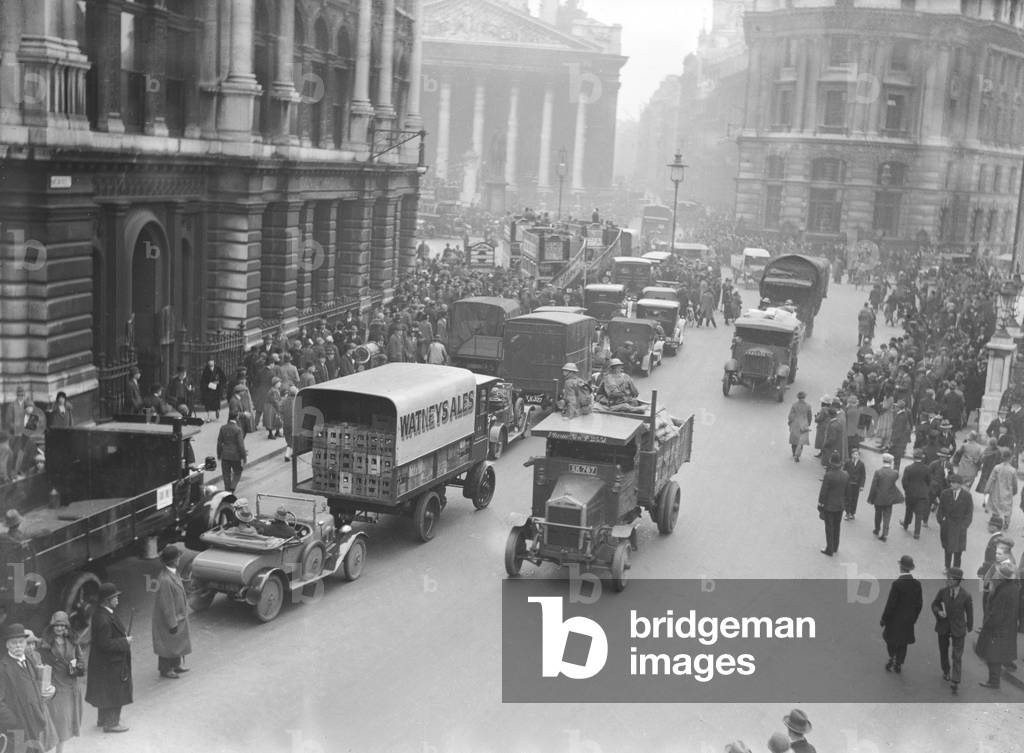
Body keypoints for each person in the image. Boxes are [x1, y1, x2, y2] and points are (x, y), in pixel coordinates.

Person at [0, 622, 56, 752]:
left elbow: (39, 685)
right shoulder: (3, 668)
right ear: (7, 645)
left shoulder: (29, 660)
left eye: (21, 641)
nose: (18, 645)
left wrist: (52, 690)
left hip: (34, 721)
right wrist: (15, 722)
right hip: (17, 726)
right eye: (14, 642)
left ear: (25, 643)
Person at [85, 582, 132, 733]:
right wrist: (125, 641)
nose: (117, 599)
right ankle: (112, 723)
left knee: (105, 692)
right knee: (114, 692)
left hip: (104, 663)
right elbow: (105, 644)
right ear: (106, 601)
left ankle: (103, 719)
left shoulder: (103, 613)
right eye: (115, 597)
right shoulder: (103, 619)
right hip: (110, 663)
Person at [38, 610, 85, 751]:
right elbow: (40, 664)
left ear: (67, 627)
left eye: (63, 626)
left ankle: (60, 751)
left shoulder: (73, 641)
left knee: (66, 723)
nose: (59, 628)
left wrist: (76, 667)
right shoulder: (46, 644)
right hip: (56, 687)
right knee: (58, 722)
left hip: (71, 686)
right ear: (52, 626)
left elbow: (81, 661)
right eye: (57, 625)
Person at [977, 560, 1020, 690]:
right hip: (1008, 626)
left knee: (992, 655)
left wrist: (988, 624)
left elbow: (997, 612)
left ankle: (993, 682)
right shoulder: (1013, 588)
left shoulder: (1003, 591)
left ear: (1002, 577)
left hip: (998, 628)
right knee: (997, 654)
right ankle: (994, 681)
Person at [151, 545, 191, 681]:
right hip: (169, 618)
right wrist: (172, 623)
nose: (180, 559)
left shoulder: (172, 572)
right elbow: (167, 605)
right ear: (174, 560)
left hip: (178, 615)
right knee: (167, 643)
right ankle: (165, 669)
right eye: (178, 557)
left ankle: (176, 665)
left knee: (176, 642)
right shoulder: (165, 580)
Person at [930, 566, 973, 694]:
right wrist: (939, 612)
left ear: (957, 580)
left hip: (958, 628)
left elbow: (969, 613)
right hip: (943, 625)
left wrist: (969, 626)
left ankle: (955, 680)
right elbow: (934, 604)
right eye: (947, 577)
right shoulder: (942, 591)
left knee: (957, 655)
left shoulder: (966, 595)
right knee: (943, 650)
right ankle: (946, 671)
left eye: (951, 578)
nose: (948, 580)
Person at [880, 554, 923, 674]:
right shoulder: (917, 584)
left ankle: (891, 657)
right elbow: (919, 604)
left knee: (890, 638)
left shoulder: (897, 584)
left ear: (901, 568)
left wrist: (884, 619)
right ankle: (899, 662)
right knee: (903, 642)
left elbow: (891, 604)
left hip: (895, 619)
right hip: (908, 620)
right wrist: (913, 618)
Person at [936, 473, 973, 570]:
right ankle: (947, 567)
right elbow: (940, 509)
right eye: (951, 482)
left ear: (960, 484)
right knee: (947, 548)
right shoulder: (945, 493)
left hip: (960, 526)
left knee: (958, 550)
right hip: (947, 525)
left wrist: (964, 525)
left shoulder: (967, 496)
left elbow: (969, 513)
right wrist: (941, 521)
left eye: (954, 483)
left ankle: (956, 568)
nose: (952, 485)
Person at [817, 452, 848, 556]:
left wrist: (820, 504)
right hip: (840, 505)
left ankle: (829, 549)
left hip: (829, 506)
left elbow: (823, 492)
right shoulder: (845, 475)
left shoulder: (828, 475)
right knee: (837, 526)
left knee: (829, 527)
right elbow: (847, 491)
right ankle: (835, 546)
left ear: (831, 462)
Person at [867, 453, 902, 541]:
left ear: (883, 461)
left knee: (878, 514)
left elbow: (873, 486)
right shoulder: (895, 473)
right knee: (887, 516)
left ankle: (877, 529)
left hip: (878, 498)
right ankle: (885, 533)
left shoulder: (878, 472)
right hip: (889, 498)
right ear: (891, 462)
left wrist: (871, 498)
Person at [900, 449, 932, 539]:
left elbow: (904, 482)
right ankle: (917, 533)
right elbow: (929, 481)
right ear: (922, 458)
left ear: (913, 457)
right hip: (922, 495)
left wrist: (907, 490)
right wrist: (925, 490)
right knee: (919, 514)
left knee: (909, 510)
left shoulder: (908, 468)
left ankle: (906, 524)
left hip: (911, 494)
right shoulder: (927, 468)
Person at [984, 447, 1017, 531]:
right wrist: (1014, 491)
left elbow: (991, 479)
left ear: (1002, 457)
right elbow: (1014, 483)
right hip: (1007, 493)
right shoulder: (1012, 470)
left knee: (996, 507)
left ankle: (995, 522)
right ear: (1010, 458)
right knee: (1007, 509)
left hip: (997, 491)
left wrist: (987, 489)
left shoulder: (997, 468)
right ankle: (1006, 523)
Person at [216, 416, 247, 493]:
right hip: (235, 456)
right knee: (237, 472)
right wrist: (244, 457)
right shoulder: (238, 429)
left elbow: (219, 442)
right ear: (236, 419)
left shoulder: (223, 428)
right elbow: (241, 445)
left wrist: (219, 454)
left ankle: (227, 491)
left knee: (226, 474)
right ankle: (232, 488)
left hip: (225, 455)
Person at [787, 391, 812, 462]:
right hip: (804, 424)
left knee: (794, 439)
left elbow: (791, 415)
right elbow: (809, 416)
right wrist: (808, 423)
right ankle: (798, 454)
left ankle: (794, 453)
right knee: (801, 440)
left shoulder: (794, 405)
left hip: (795, 423)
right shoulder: (808, 406)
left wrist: (790, 422)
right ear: (804, 397)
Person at [843, 448, 866, 521]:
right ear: (851, 455)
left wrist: (862, 485)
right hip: (849, 484)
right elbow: (844, 472)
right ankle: (847, 513)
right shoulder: (848, 462)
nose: (856, 456)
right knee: (847, 498)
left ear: (859, 456)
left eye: (857, 454)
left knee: (854, 499)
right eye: (854, 454)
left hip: (856, 485)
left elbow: (863, 475)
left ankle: (852, 513)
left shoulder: (861, 464)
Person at [281, 386, 298, 462]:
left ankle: (291, 453)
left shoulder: (284, 400)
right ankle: (288, 455)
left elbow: (280, 410)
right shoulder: (297, 401)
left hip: (285, 423)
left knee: (289, 439)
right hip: (293, 423)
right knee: (292, 439)